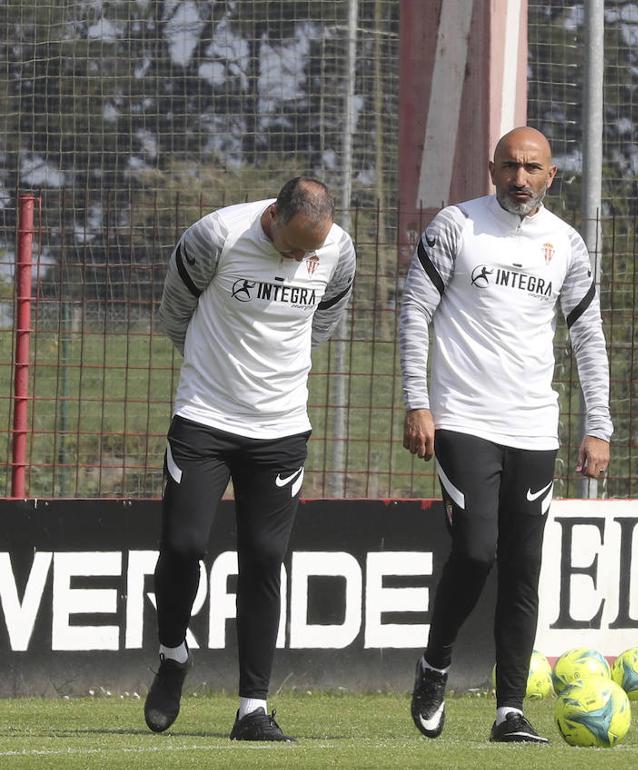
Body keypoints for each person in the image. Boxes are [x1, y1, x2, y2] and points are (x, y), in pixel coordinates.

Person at [398, 126, 612, 743]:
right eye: (510, 166)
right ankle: (435, 662)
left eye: (533, 169)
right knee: (475, 551)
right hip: (462, 417)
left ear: (551, 176)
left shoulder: (566, 244)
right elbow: (415, 310)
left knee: (523, 566)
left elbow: (587, 337)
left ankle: (509, 711)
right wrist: (418, 402)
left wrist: (598, 425)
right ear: (492, 168)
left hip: (533, 427)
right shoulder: (455, 226)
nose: (520, 179)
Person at [144, 177, 356, 741]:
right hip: (204, 419)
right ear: (272, 217)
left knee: (265, 558)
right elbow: (173, 313)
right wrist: (216, 376)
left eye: (309, 251)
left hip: (282, 430)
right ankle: (172, 654)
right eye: (292, 247)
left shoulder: (336, 249)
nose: (299, 259)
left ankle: (252, 709)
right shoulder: (216, 235)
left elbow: (324, 321)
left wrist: (276, 378)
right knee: (184, 545)